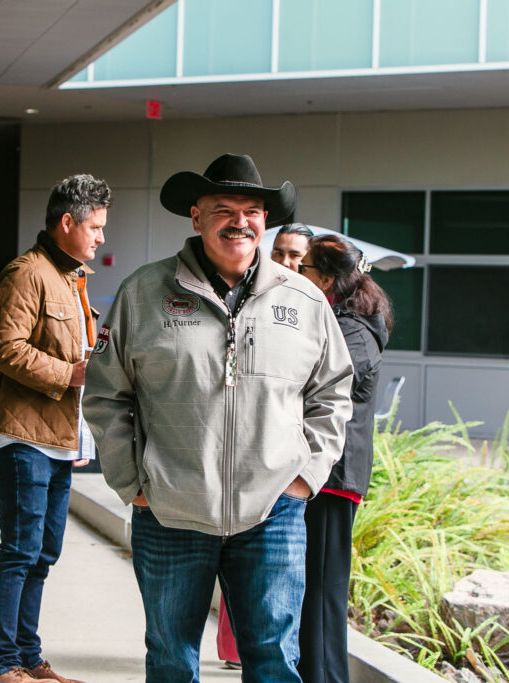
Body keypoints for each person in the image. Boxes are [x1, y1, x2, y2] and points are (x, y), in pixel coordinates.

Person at [83, 153, 354, 682]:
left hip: (273, 512)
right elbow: (107, 394)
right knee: (170, 659)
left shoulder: (303, 301)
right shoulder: (144, 293)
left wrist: (304, 477)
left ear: (266, 220)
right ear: (196, 216)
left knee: (275, 660)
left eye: (252, 210)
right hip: (169, 510)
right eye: (222, 208)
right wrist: (132, 480)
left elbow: (333, 392)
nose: (239, 221)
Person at [0, 174, 112, 683]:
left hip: (56, 434)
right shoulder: (25, 274)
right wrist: (69, 373)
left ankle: (28, 659)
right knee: (21, 549)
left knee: (43, 552)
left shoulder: (70, 277)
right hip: (22, 434)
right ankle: (2, 664)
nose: (99, 238)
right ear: (66, 222)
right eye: (94, 227)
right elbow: (0, 346)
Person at [217, 219, 318, 669]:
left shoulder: (311, 307)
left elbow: (334, 393)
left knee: (274, 642)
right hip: (205, 487)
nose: (288, 261)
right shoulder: (235, 296)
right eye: (283, 251)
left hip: (279, 490)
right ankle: (229, 650)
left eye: (299, 255)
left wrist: (305, 476)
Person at [295, 235, 392, 683]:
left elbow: (324, 384)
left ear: (328, 278)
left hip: (334, 472)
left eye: (306, 266)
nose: (298, 272)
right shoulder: (345, 317)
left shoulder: (354, 327)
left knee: (323, 589)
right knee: (312, 587)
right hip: (326, 469)